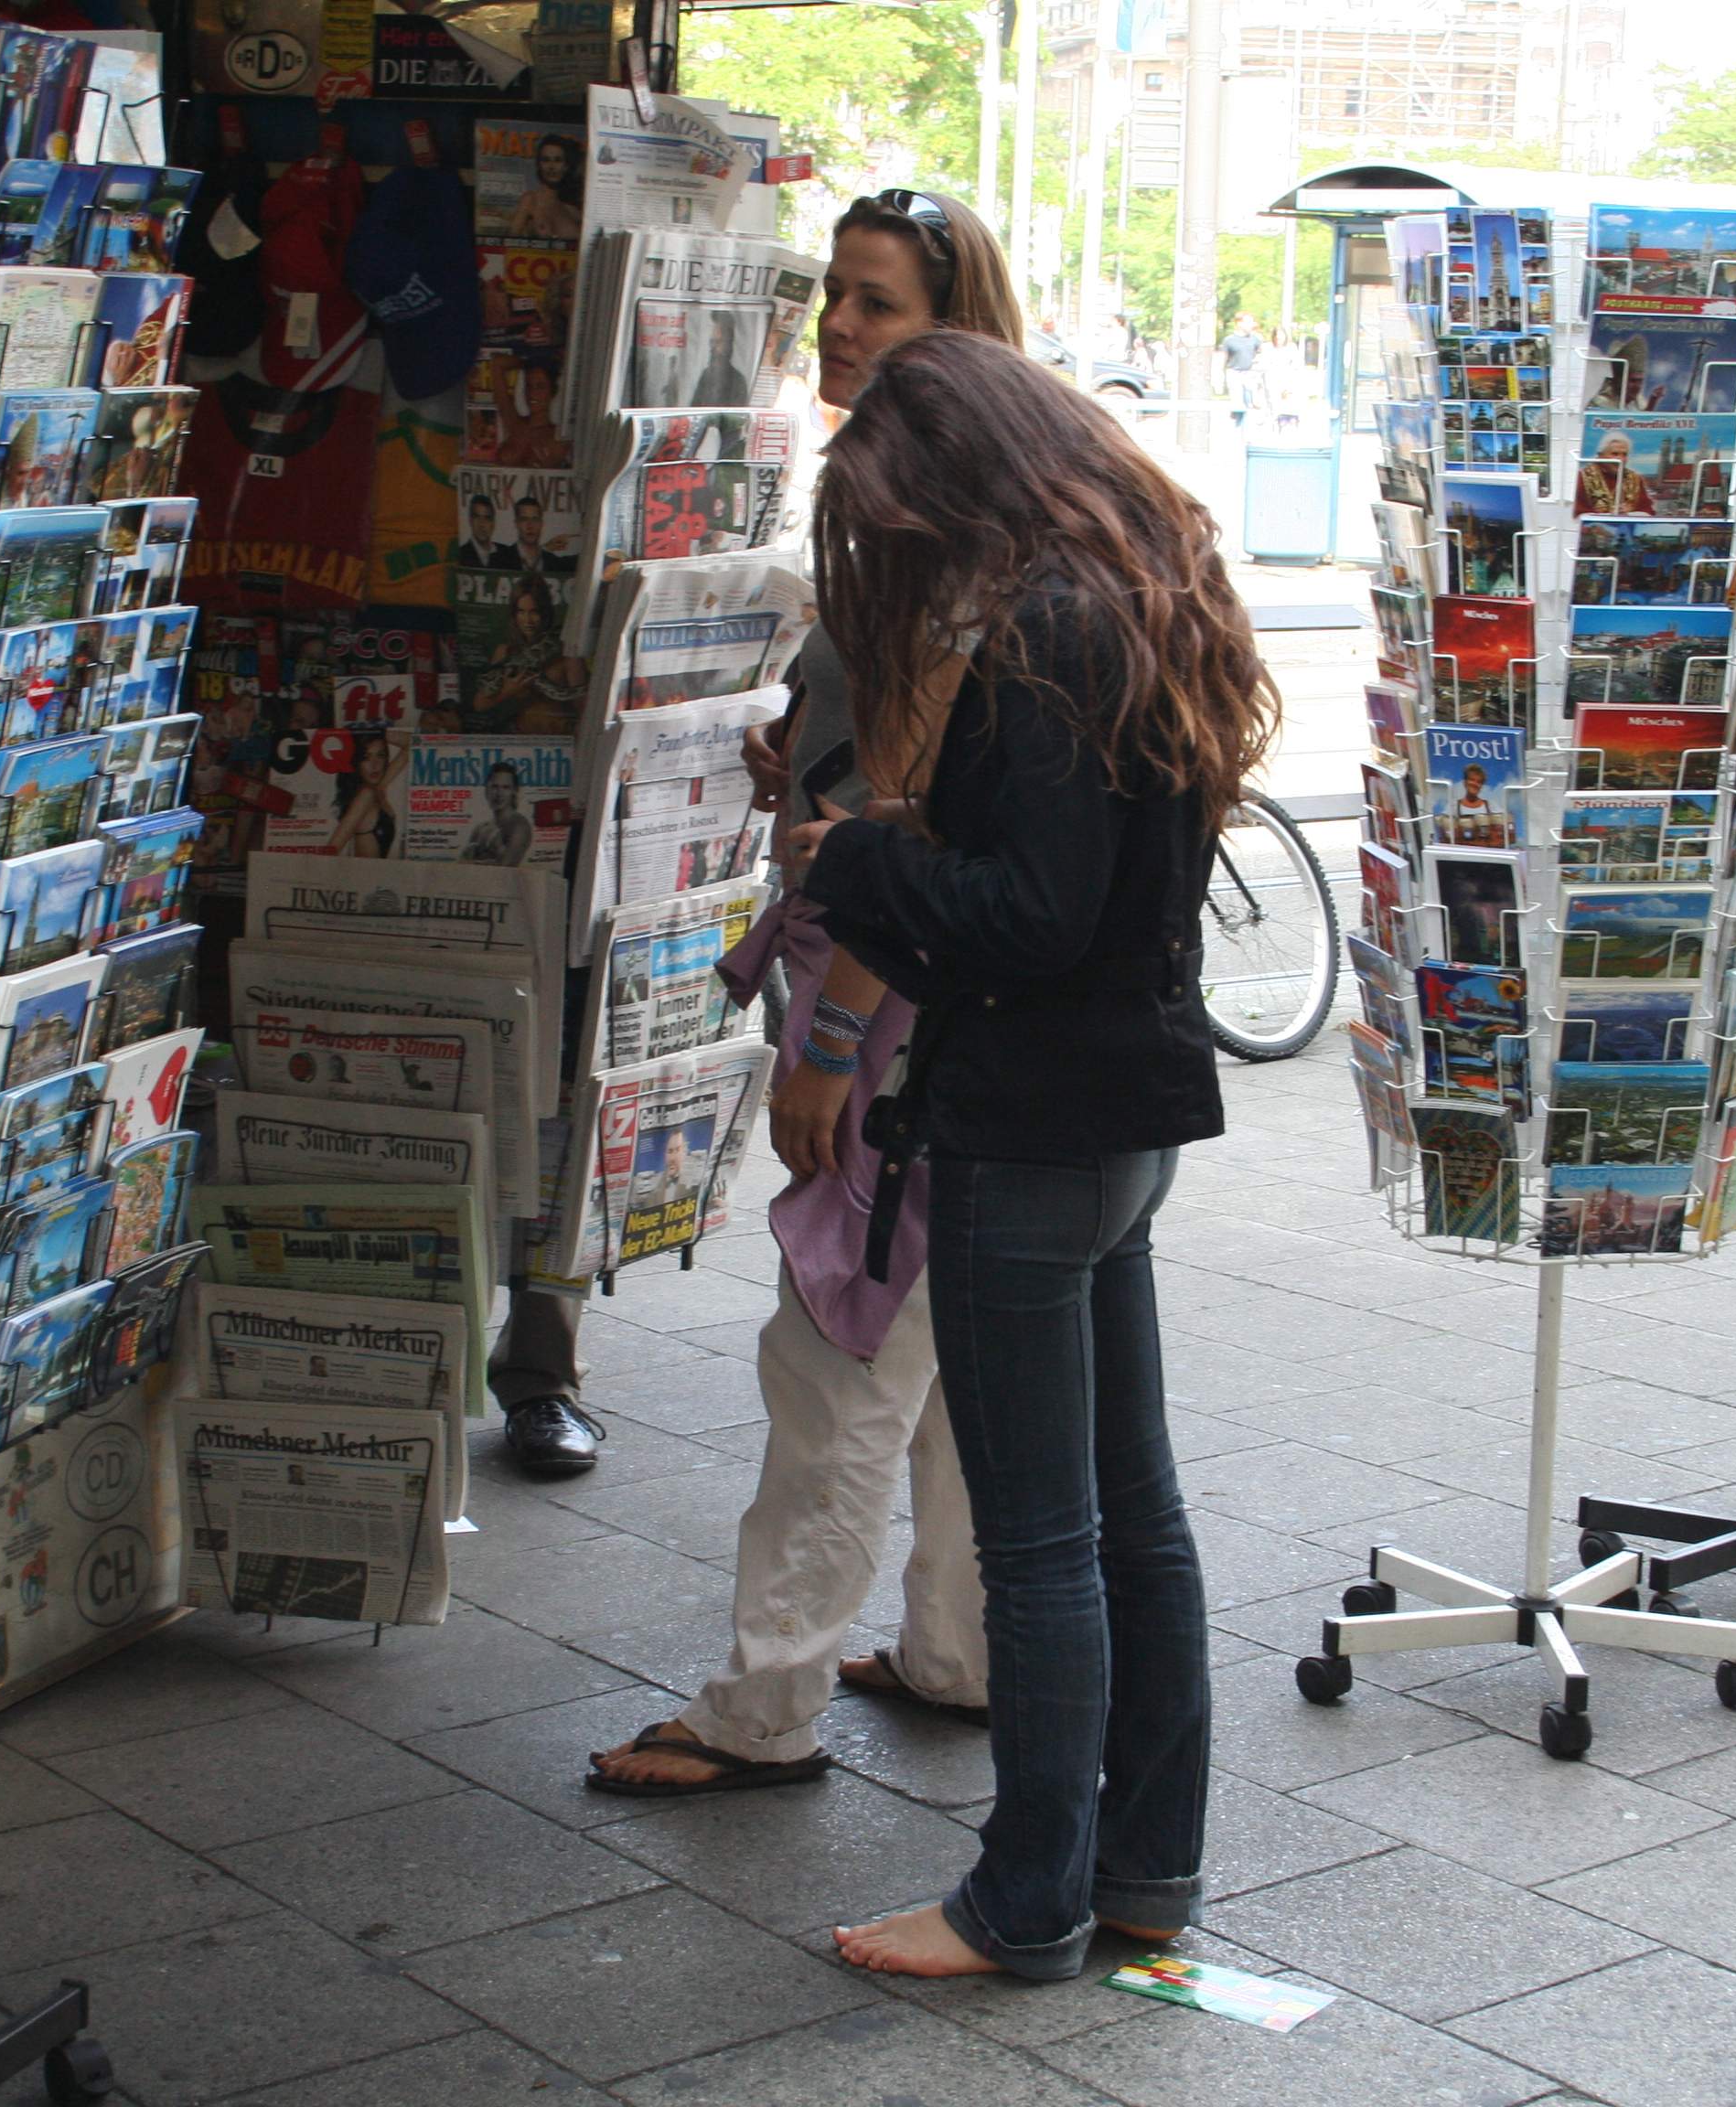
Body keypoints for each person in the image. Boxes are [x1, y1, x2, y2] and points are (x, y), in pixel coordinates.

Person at [778, 328, 1278, 1979]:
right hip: (1124, 1120)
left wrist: (857, 865)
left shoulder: (1054, 627)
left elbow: (1029, 914)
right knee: (1134, 1515)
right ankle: (1143, 1870)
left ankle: (1029, 1894)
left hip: (1031, 1125)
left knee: (1048, 1535)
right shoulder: (1148, 588)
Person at [587, 187, 1027, 1795]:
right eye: (833, 297)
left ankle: (764, 1703)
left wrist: (827, 1047)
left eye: (877, 304)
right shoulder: (978, 509)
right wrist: (809, 751)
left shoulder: (921, 528)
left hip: (894, 1008)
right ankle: (957, 1651)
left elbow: (903, 830)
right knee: (944, 1354)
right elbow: (908, 772)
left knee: (839, 1349)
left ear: (952, 330)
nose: (838, 329)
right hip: (966, 1013)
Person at [1220, 313, 1263, 424]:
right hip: (1234, 372)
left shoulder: (1255, 339)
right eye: (1248, 322)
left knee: (1250, 402)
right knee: (1238, 404)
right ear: (1239, 323)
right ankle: (1238, 424)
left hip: (1249, 373)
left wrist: (1257, 361)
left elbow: (1260, 353)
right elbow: (1224, 359)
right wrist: (1220, 375)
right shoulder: (1229, 340)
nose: (1251, 325)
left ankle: (1249, 430)